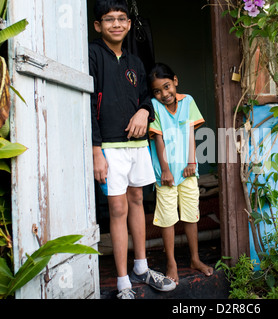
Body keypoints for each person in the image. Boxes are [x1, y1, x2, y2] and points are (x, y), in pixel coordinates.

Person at [89, 0, 175, 299]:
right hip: (109, 146)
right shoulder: (92, 55)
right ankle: (123, 282)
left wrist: (143, 113)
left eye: (122, 19)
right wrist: (95, 150)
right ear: (98, 25)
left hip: (137, 145)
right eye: (109, 19)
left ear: (129, 23)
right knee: (117, 207)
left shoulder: (135, 63)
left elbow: (147, 99)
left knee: (137, 198)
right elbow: (86, 105)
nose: (116, 24)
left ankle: (142, 267)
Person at [148, 63, 214, 285]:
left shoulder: (188, 102)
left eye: (167, 87)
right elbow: (158, 138)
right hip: (166, 174)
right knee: (167, 218)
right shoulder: (154, 107)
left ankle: (195, 259)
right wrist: (165, 169)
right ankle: (171, 263)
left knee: (190, 214)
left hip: (188, 171)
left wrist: (191, 162)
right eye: (157, 90)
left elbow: (190, 133)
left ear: (175, 81)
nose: (164, 94)